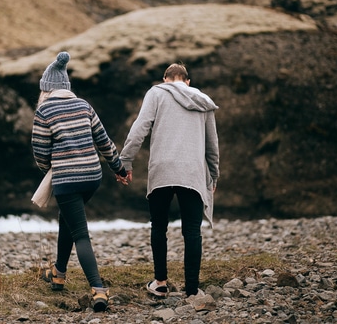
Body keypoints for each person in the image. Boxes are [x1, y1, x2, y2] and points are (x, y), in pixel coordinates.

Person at [32, 51, 128, 312]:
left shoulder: (44, 110)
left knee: (80, 234)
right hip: (92, 178)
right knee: (69, 219)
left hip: (67, 179)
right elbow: (104, 141)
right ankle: (58, 273)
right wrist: (118, 168)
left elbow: (40, 151)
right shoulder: (84, 105)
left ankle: (98, 289)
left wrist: (51, 171)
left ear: (47, 88)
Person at [119, 63, 219, 298]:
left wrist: (125, 162)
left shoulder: (156, 93)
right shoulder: (203, 100)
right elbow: (212, 144)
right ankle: (192, 290)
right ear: (187, 81)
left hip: (162, 169)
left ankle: (160, 283)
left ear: (165, 79)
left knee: (159, 226)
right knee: (192, 231)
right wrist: (213, 174)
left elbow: (139, 128)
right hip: (192, 172)